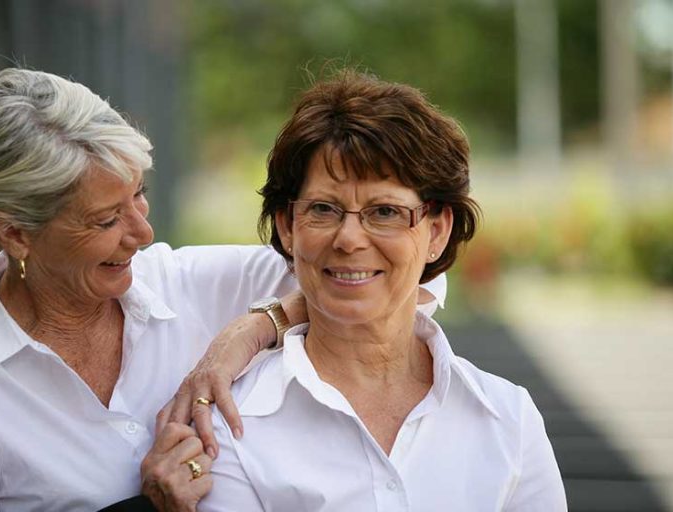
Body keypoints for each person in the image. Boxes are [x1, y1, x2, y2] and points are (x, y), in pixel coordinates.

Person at [0, 68, 447, 511]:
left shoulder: (193, 284)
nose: (142, 232)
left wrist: (256, 326)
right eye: (104, 220)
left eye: (138, 195)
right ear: (16, 233)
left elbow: (404, 274)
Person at [197, 71, 567, 511]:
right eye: (323, 209)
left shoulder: (509, 419)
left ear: (437, 231)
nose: (350, 238)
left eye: (385, 211)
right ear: (287, 226)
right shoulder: (230, 427)